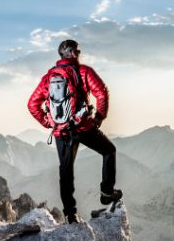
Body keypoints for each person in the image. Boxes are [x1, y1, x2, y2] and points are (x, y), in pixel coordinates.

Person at [27, 39, 122, 223]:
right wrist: (99, 117)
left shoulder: (49, 77)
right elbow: (101, 92)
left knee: (65, 171)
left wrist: (48, 122)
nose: (79, 53)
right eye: (77, 51)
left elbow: (32, 104)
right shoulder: (83, 71)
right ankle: (107, 193)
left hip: (61, 132)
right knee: (109, 151)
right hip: (83, 127)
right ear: (71, 53)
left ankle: (70, 214)